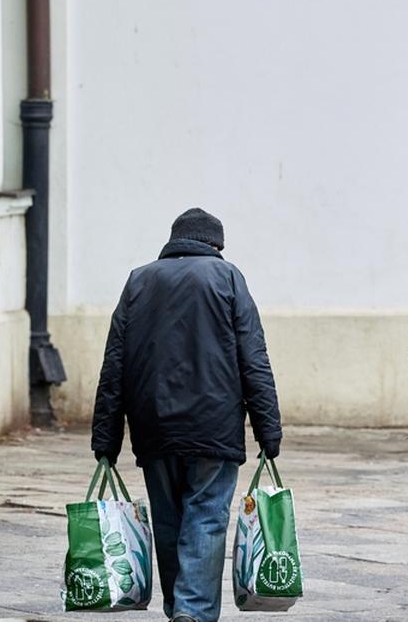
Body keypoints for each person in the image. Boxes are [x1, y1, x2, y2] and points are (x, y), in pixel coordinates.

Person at [90, 208, 282, 622]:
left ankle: (179, 608)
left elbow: (114, 365)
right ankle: (192, 612)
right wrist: (269, 430)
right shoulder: (228, 278)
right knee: (207, 516)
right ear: (215, 245)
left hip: (153, 425)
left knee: (168, 520)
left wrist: (106, 438)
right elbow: (254, 358)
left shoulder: (139, 281)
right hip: (215, 426)